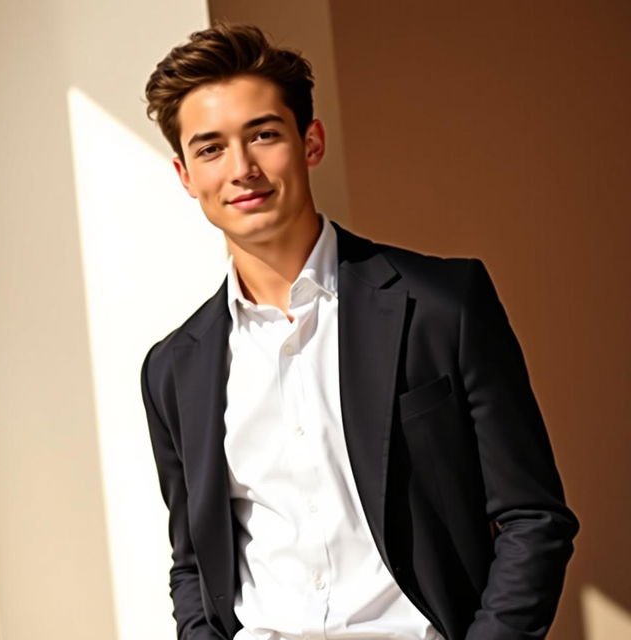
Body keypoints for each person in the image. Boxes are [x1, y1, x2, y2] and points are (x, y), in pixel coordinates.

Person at [141, 23, 578, 640]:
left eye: (264, 135)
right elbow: (194, 564)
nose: (242, 169)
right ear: (186, 176)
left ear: (310, 142)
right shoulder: (172, 369)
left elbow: (534, 518)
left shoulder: (441, 306)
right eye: (211, 149)